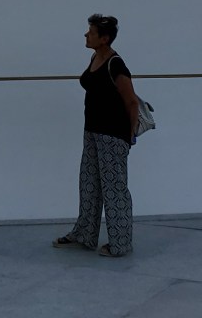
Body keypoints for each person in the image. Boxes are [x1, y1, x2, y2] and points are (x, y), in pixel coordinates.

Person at [52, 14, 141, 257]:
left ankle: (120, 244)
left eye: (90, 32)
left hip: (112, 135)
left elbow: (132, 102)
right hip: (92, 132)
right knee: (89, 185)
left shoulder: (116, 64)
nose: (85, 35)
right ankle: (84, 234)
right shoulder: (95, 57)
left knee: (115, 189)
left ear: (104, 39)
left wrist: (129, 137)